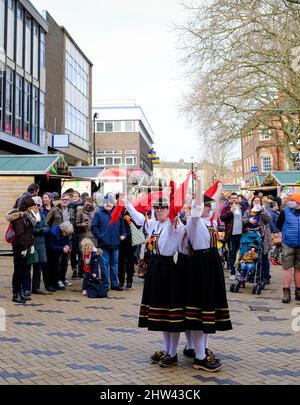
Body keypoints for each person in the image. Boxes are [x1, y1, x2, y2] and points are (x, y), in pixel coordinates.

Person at [122, 194, 185, 368]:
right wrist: (126, 203)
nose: (159, 211)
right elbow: (139, 218)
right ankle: (166, 350)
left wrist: (175, 202)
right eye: (157, 208)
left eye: (163, 208)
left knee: (171, 313)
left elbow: (176, 218)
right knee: (161, 313)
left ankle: (173, 353)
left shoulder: (173, 225)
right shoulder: (154, 225)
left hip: (168, 269)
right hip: (155, 269)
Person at [186, 176, 232, 371]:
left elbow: (214, 205)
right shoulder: (194, 222)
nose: (210, 208)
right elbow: (197, 207)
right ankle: (199, 356)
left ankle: (201, 349)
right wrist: (197, 187)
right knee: (200, 311)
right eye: (207, 206)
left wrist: (220, 187)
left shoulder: (207, 220)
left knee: (208, 310)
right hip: (200, 266)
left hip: (210, 265)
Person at [92, 194, 126, 292]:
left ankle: (115, 284)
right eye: (106, 202)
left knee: (115, 265)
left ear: (113, 203)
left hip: (115, 244)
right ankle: (106, 284)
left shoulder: (118, 214)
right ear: (104, 203)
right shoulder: (98, 214)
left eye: (110, 202)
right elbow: (94, 227)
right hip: (103, 244)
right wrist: (100, 237)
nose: (108, 204)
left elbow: (123, 229)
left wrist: (123, 235)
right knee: (104, 265)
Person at [6, 197, 36, 303]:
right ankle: (15, 294)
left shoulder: (26, 216)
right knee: (18, 271)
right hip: (19, 247)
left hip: (25, 246)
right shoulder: (18, 218)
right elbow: (20, 235)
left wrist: (31, 245)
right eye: (31, 205)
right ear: (27, 206)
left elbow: (29, 233)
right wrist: (24, 248)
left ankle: (20, 292)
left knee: (22, 270)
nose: (33, 207)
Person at [22, 196, 49, 296]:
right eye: (34, 204)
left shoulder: (41, 215)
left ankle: (36, 288)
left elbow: (47, 228)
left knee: (38, 268)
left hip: (40, 244)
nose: (36, 206)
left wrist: (40, 230)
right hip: (30, 244)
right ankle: (26, 288)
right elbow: (27, 230)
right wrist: (38, 231)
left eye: (38, 205)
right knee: (27, 268)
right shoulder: (26, 215)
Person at [276, 193, 300, 304]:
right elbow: (279, 225)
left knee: (298, 269)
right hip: (288, 244)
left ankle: (298, 292)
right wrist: (286, 233)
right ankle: (286, 292)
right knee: (287, 268)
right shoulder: (285, 212)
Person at [220, 192, 248, 280]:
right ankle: (233, 272)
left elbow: (247, 218)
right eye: (232, 198)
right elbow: (222, 218)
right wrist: (230, 211)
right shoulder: (226, 208)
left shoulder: (243, 208)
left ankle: (242, 271)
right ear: (229, 199)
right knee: (232, 254)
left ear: (238, 199)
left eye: (235, 198)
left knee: (243, 254)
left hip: (242, 234)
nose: (234, 200)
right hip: (231, 235)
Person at [45, 221, 74, 292]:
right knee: (49, 269)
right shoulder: (52, 232)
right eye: (66, 233)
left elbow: (67, 240)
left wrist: (67, 246)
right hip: (49, 253)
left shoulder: (65, 232)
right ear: (63, 230)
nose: (66, 235)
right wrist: (62, 248)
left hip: (57, 253)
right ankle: (49, 285)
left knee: (56, 268)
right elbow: (50, 246)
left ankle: (55, 283)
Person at [269, 201, 282, 266]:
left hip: (279, 231)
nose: (278, 206)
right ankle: (272, 257)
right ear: (274, 206)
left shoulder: (276, 212)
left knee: (279, 245)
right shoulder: (271, 213)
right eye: (277, 205)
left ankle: (276, 258)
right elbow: (271, 223)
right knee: (275, 245)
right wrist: (275, 232)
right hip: (275, 232)